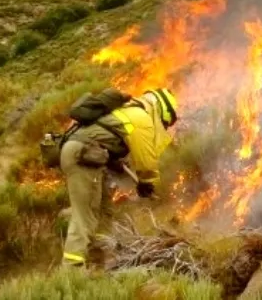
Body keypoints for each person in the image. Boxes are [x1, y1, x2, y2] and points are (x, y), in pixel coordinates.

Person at [59, 87, 178, 267]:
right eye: (166, 122)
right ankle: (72, 271)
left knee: (104, 213)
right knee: (85, 216)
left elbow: (105, 138)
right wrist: (147, 181)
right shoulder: (141, 117)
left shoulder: (128, 111)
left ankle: (98, 264)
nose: (164, 126)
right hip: (82, 157)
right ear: (162, 111)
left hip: (88, 157)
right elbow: (145, 156)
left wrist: (118, 164)